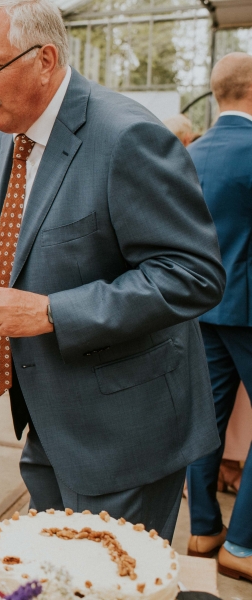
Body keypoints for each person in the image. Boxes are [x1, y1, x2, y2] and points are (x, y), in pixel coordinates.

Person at [0, 0, 224, 542]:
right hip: (47, 418)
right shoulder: (0, 136)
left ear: (45, 59)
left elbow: (193, 273)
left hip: (126, 434)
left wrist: (51, 311)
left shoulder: (127, 137)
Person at [185, 52, 252, 580]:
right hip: (249, 309)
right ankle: (244, 545)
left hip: (200, 307)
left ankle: (204, 529)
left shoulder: (189, 154)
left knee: (203, 423)